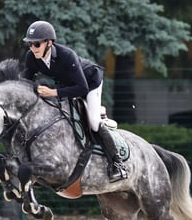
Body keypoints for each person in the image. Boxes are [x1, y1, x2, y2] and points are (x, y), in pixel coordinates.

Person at [21, 20, 127, 181]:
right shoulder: (31, 57)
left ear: (49, 43)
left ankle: (117, 163)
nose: (32, 48)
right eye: (30, 45)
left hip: (89, 83)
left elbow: (82, 88)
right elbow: (25, 82)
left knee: (93, 122)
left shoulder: (66, 55)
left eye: (36, 44)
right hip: (66, 84)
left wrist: (53, 92)